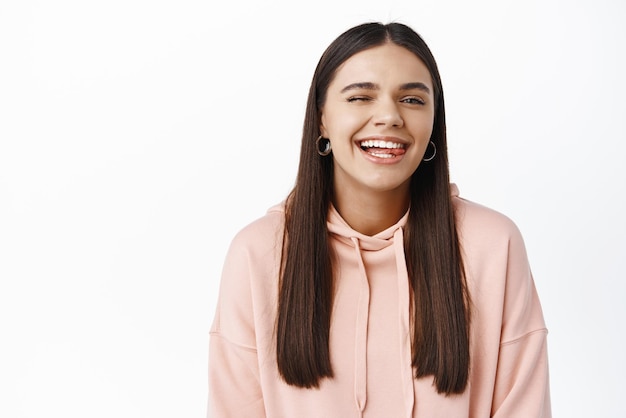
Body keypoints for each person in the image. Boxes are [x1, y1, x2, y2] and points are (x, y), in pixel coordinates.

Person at [207, 22, 551, 418]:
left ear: (433, 121)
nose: (388, 116)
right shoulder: (259, 254)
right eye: (360, 97)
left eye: (412, 100)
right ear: (321, 119)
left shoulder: (492, 246)